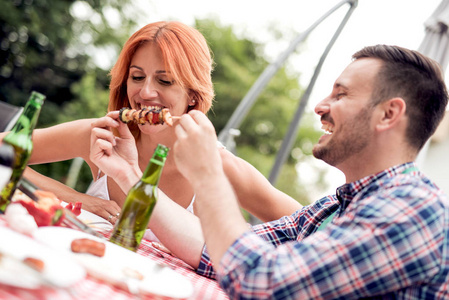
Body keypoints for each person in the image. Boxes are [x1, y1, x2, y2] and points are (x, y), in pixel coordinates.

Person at [92, 44, 449, 299]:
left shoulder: (411, 209)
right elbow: (218, 251)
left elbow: (261, 282)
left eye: (340, 95)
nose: (320, 106)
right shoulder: (338, 206)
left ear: (389, 114)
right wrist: (130, 177)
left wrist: (208, 174)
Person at [0, 21, 301, 225]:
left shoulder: (218, 165)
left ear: (193, 95)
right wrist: (76, 199)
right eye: (137, 77)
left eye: (165, 80)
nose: (145, 93)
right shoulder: (104, 135)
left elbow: (309, 226)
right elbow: (4, 155)